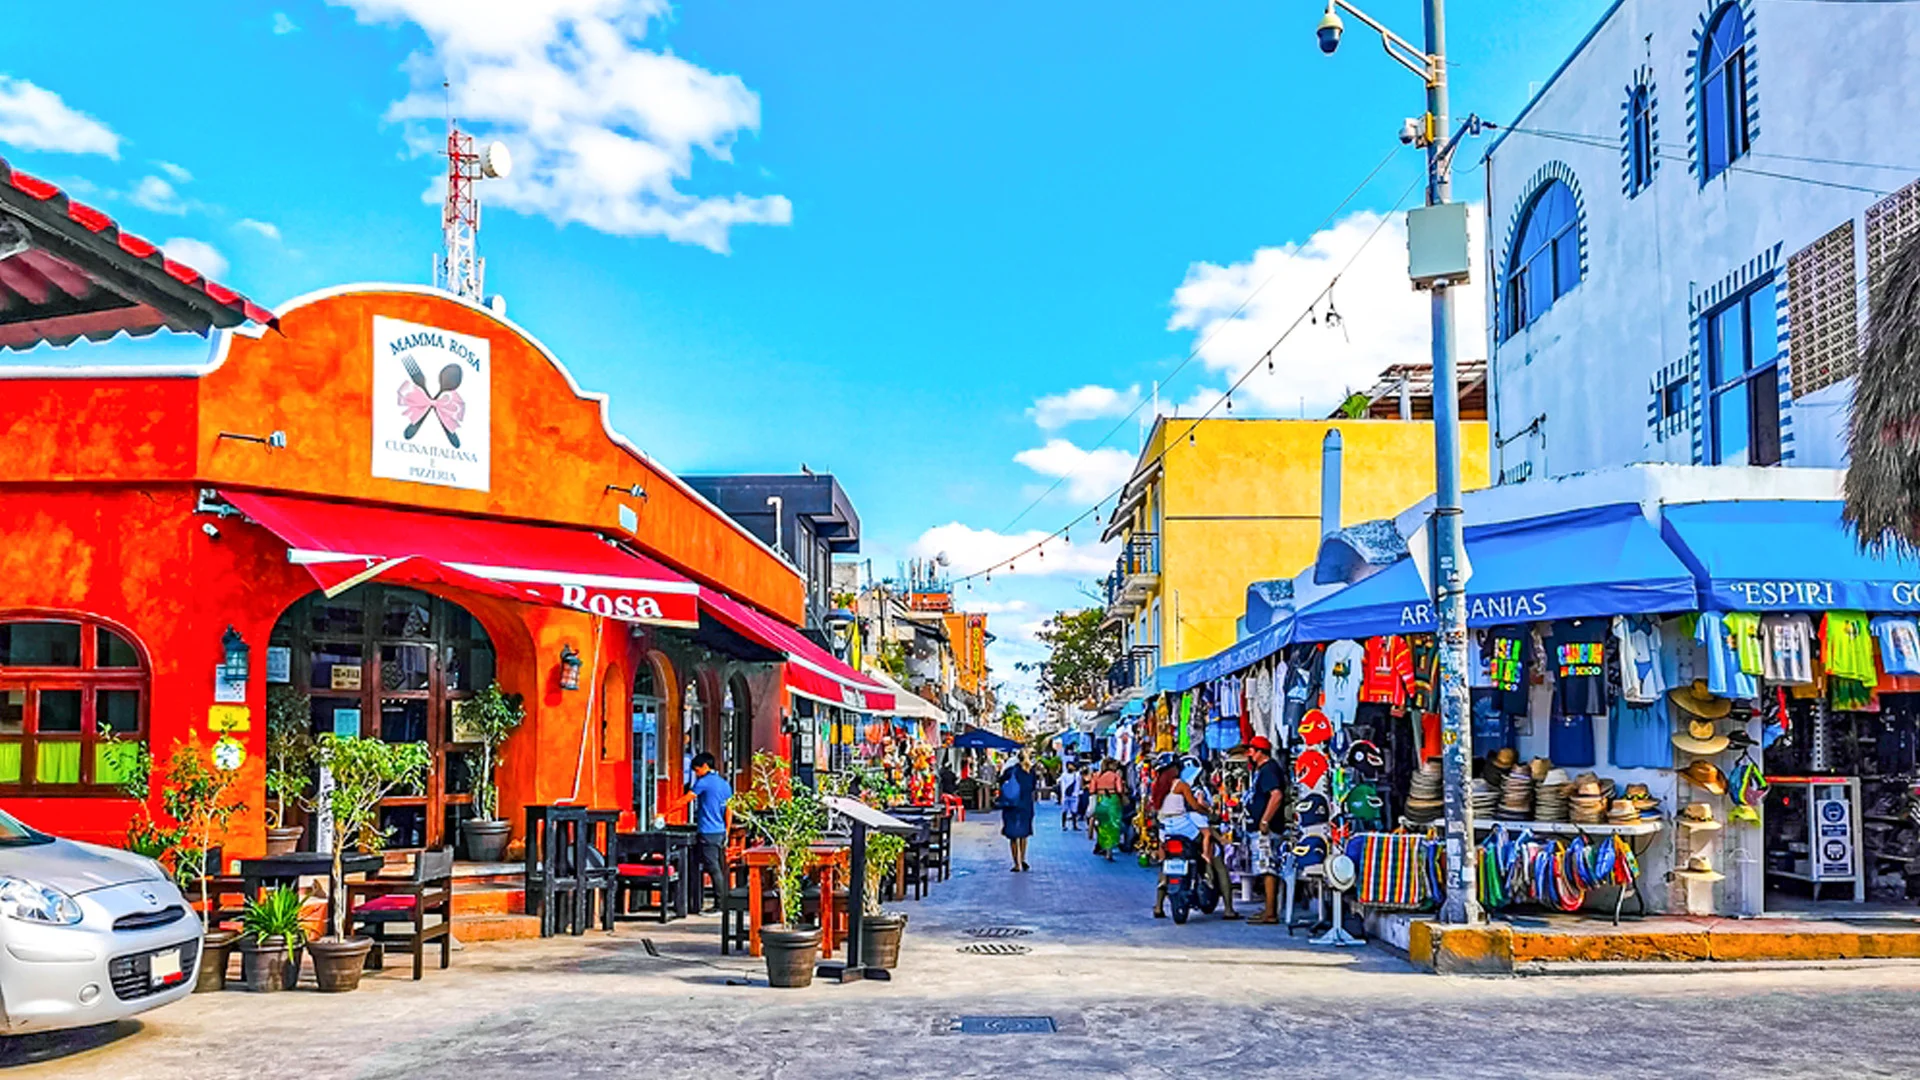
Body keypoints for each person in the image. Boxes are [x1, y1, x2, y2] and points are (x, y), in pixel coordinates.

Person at [1150, 753, 1239, 919]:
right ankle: (1227, 907)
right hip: (1184, 827)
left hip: (1166, 830)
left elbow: (1155, 810)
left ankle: (1158, 906)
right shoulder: (1180, 785)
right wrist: (1209, 813)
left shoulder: (1156, 787)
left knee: (1165, 863)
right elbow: (1195, 806)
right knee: (1213, 848)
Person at [676, 752, 733, 914]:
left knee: (713, 868)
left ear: (705, 767)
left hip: (708, 831)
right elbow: (729, 809)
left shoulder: (704, 782)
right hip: (720, 830)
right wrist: (727, 830)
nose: (696, 773)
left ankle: (720, 905)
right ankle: (722, 902)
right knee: (719, 868)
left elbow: (686, 800)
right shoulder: (724, 784)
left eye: (697, 769)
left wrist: (664, 813)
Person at [1243, 736, 1286, 925]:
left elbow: (1276, 795)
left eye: (1251, 750)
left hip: (1266, 829)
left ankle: (1270, 913)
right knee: (1263, 867)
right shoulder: (1261, 771)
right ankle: (1268, 910)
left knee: (1268, 868)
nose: (1249, 754)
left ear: (1260, 752)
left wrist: (1265, 820)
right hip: (1259, 827)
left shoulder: (1269, 770)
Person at [999, 749, 1039, 871]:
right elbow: (1033, 787)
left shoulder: (1010, 771)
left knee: (1012, 836)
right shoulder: (1031, 772)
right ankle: (1023, 859)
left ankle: (1016, 864)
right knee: (1023, 835)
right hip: (1026, 806)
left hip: (1011, 805)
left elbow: (1000, 781)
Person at [1089, 758, 1125, 860]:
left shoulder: (1096, 775)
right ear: (1111, 765)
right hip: (1113, 800)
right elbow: (1119, 790)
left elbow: (1092, 790)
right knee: (1113, 824)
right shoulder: (1115, 776)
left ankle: (1105, 846)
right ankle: (1110, 850)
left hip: (1101, 799)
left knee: (1103, 824)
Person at [1059, 763, 1085, 831]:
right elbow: (1063, 785)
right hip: (1066, 795)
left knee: (1074, 811)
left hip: (1074, 795)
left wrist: (1076, 793)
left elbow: (1078, 785)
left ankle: (1075, 825)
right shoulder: (1064, 775)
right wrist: (1063, 794)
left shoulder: (1077, 775)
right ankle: (1063, 825)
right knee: (1064, 810)